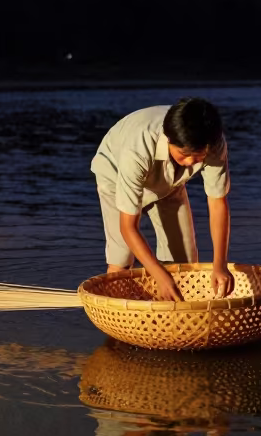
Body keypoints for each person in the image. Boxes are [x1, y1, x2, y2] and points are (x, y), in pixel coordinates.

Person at [91, 97, 234, 301]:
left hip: (170, 182)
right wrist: (159, 274)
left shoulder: (214, 143)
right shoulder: (138, 148)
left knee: (184, 262)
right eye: (184, 154)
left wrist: (220, 265)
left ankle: (173, 320)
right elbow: (128, 227)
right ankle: (117, 318)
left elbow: (218, 203)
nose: (191, 163)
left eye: (199, 156)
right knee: (122, 256)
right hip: (115, 174)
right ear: (168, 139)